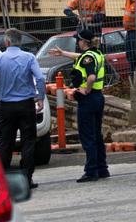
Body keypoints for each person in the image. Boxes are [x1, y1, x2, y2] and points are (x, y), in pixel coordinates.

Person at [0, 28, 46, 190]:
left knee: (6, 143)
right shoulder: (29, 58)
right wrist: (40, 97)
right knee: (28, 142)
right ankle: (27, 178)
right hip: (26, 105)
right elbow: (39, 77)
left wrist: (0, 80)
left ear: (7, 42)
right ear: (20, 42)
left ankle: (4, 181)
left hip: (7, 107)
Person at [51, 28, 109, 183]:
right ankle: (102, 168)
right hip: (98, 98)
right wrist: (63, 53)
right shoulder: (96, 54)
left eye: (78, 40)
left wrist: (86, 90)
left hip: (88, 100)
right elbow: (82, 57)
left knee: (87, 136)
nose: (77, 42)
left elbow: (90, 77)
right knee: (97, 135)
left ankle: (91, 172)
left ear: (83, 42)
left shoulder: (87, 58)